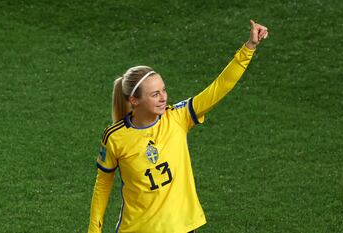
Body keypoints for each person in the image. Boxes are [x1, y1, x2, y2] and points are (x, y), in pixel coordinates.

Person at [88, 19, 268, 233]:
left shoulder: (178, 117)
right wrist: (94, 229)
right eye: (155, 94)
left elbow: (219, 87)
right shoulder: (115, 137)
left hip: (181, 228)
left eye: (163, 90)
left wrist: (249, 47)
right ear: (134, 100)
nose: (163, 98)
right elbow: (102, 185)